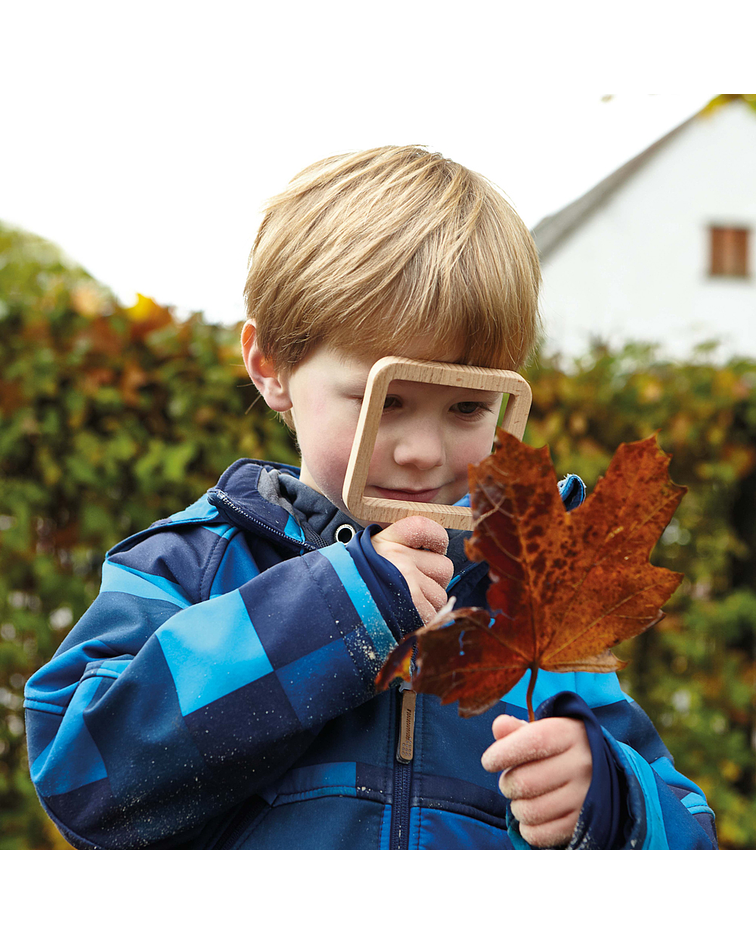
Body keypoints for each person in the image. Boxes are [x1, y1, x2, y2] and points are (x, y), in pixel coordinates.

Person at [24, 146, 717, 849]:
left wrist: (609, 799)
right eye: (386, 400)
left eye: (468, 408)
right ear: (271, 368)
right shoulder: (194, 567)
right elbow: (83, 778)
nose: (423, 450)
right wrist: (340, 607)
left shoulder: (535, 602)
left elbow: (688, 827)